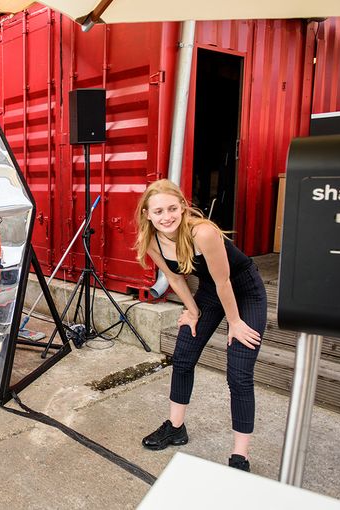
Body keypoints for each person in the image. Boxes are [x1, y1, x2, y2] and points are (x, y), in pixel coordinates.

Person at [135, 179, 266, 472]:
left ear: (183, 206)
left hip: (244, 291)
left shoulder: (202, 232)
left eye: (172, 208)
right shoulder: (152, 240)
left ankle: (240, 456)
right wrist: (192, 311)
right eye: (158, 211)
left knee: (239, 373)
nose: (166, 216)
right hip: (210, 292)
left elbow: (225, 281)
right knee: (182, 355)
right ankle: (175, 427)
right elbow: (176, 278)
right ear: (147, 214)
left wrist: (235, 322)